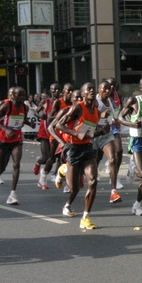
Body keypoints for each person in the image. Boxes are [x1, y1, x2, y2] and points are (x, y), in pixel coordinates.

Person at [55, 82, 108, 230]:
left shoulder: (95, 111)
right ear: (83, 94)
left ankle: (85, 217)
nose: (91, 91)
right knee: (74, 188)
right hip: (73, 148)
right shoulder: (78, 108)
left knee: (93, 181)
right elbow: (59, 125)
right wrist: (75, 133)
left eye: (93, 89)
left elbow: (89, 133)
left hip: (87, 147)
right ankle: (63, 169)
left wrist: (102, 131)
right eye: (88, 89)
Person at [0, 87, 36, 205]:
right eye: (19, 95)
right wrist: (6, 130)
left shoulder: (25, 107)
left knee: (16, 164)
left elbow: (22, 119)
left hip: (17, 138)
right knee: (2, 168)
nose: (22, 97)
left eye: (23, 95)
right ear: (13, 96)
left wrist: (30, 123)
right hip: (3, 139)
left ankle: (12, 194)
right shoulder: (7, 106)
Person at [119, 77, 142, 218]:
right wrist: (132, 124)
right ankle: (132, 168)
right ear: (141, 88)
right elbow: (120, 117)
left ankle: (137, 205)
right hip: (137, 141)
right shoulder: (134, 101)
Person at [93, 80, 123, 203]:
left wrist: (114, 119)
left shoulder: (110, 101)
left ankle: (113, 192)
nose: (107, 90)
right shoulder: (95, 101)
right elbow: (87, 115)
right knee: (94, 160)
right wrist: (100, 115)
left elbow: (116, 113)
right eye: (104, 88)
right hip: (93, 134)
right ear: (98, 90)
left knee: (112, 159)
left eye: (109, 89)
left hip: (105, 134)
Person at [33, 83, 61, 188]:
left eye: (57, 89)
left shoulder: (61, 102)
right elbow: (35, 112)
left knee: (55, 157)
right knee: (46, 158)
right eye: (54, 89)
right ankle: (38, 161)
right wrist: (41, 116)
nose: (56, 91)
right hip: (45, 131)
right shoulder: (46, 101)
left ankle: (52, 175)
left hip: (56, 132)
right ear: (50, 90)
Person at [105, 77, 124, 188]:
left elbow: (119, 110)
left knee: (119, 150)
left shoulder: (118, 96)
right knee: (97, 155)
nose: (111, 87)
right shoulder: (100, 97)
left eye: (113, 85)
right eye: (109, 85)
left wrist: (117, 118)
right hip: (102, 127)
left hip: (114, 127)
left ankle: (115, 176)